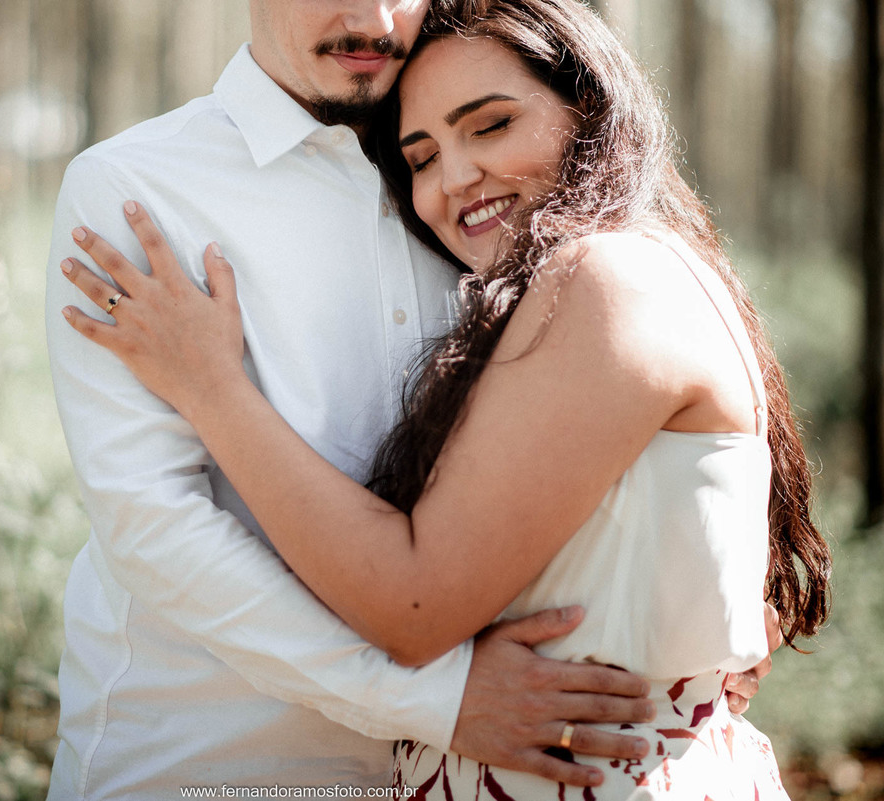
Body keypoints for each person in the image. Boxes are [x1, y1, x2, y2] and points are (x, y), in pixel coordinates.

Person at [56, 0, 829, 798]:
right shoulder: (138, 188)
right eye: (424, 155)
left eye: (490, 126)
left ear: (588, 106)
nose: (373, 14)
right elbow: (154, 527)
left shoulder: (538, 245)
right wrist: (438, 699)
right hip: (210, 768)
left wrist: (704, 596)